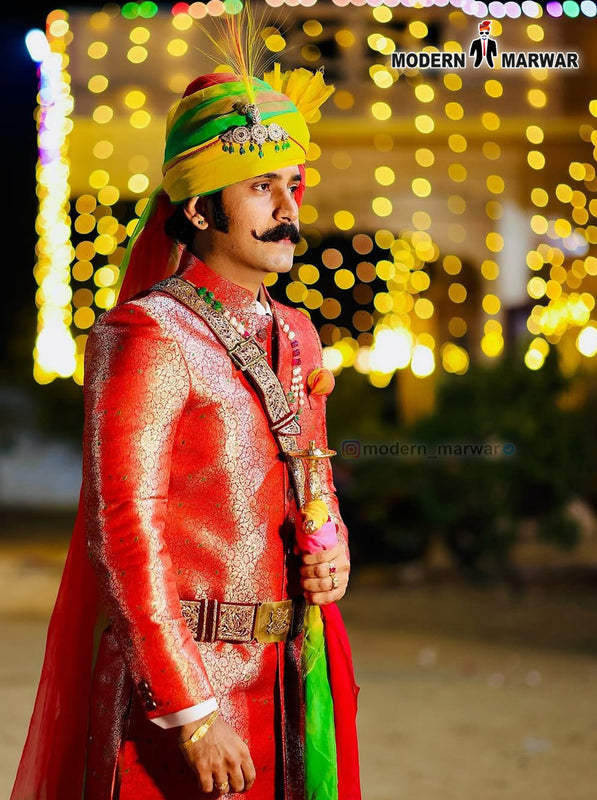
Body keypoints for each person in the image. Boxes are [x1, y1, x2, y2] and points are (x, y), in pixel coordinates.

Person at [10, 50, 360, 800]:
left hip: (293, 680)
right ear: (199, 210)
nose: (287, 210)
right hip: (182, 696)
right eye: (261, 188)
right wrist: (193, 711)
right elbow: (124, 530)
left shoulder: (298, 333)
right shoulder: (148, 334)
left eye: (292, 187)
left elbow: (314, 476)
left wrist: (333, 548)